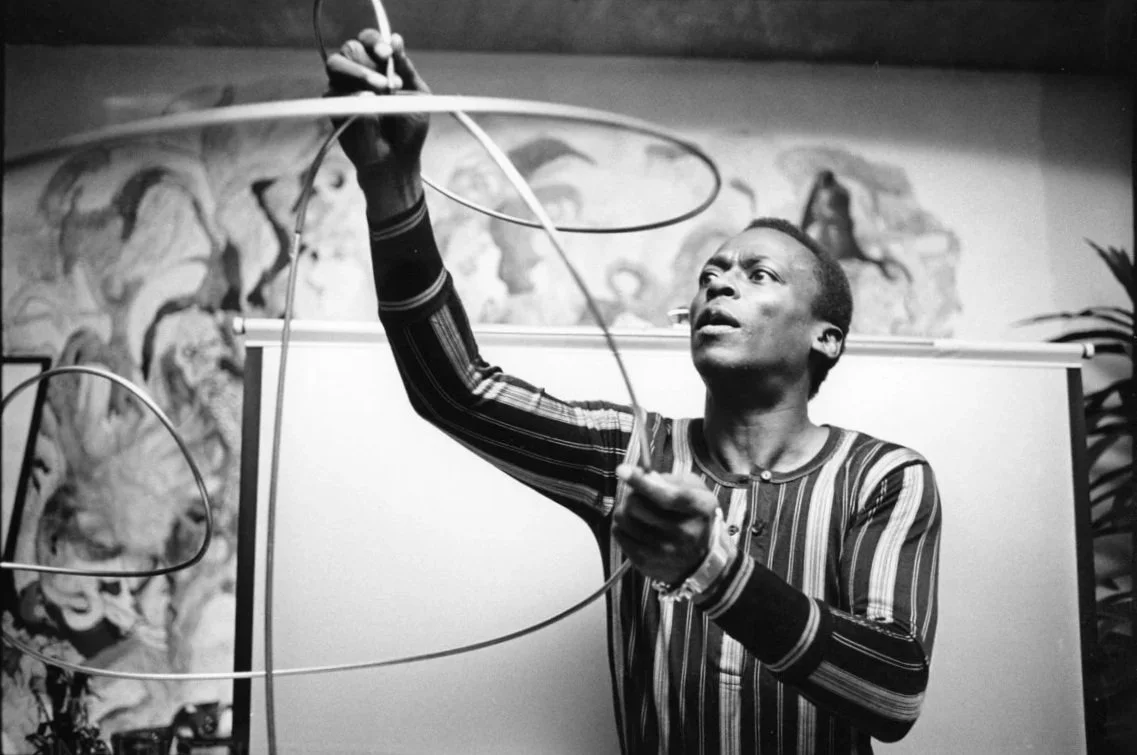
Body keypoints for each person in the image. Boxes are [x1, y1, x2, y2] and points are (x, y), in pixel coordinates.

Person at [326, 30, 942, 755]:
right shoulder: (632, 454)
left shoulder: (884, 476)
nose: (718, 282)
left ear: (825, 337)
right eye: (711, 272)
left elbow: (893, 690)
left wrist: (712, 570)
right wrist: (391, 186)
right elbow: (453, 388)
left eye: (757, 275)